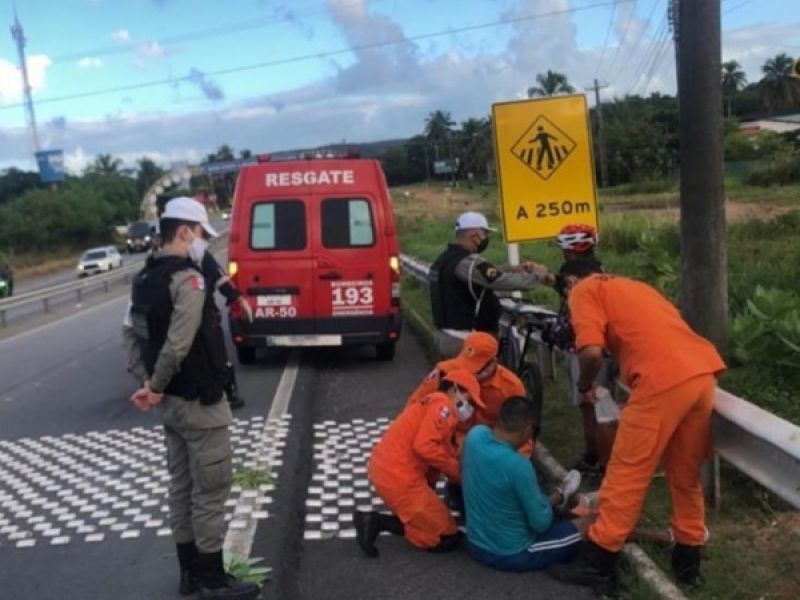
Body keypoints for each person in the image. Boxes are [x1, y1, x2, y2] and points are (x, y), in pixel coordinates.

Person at [547, 259, 726, 592]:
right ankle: (688, 561)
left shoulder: (583, 290)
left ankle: (599, 560)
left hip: (662, 379)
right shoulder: (633, 286)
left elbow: (591, 352)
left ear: (570, 280)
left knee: (627, 471)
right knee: (684, 474)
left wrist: (585, 385)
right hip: (701, 375)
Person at [127, 197, 259, 600]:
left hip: (171, 406)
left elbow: (131, 334)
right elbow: (179, 344)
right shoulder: (188, 280)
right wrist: (155, 385)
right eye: (202, 234)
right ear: (185, 231)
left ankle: (188, 574)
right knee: (211, 491)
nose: (204, 242)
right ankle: (212, 579)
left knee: (181, 488)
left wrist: (147, 382)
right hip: (200, 402)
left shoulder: (144, 278)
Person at [353, 369, 485, 558]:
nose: (469, 407)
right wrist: (458, 473)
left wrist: (433, 488)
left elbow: (439, 453)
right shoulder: (443, 406)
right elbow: (425, 447)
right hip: (399, 477)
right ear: (454, 390)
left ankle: (392, 520)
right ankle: (376, 522)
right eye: (468, 400)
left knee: (441, 524)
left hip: (391, 471)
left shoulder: (433, 403)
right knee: (446, 535)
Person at [462, 396, 585, 572]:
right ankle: (561, 497)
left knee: (520, 500)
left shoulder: (474, 436)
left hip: (475, 542)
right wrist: (549, 507)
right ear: (527, 430)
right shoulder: (518, 465)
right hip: (510, 553)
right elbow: (541, 524)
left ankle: (560, 496)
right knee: (588, 524)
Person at [429, 211, 554, 358]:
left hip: (444, 335)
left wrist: (515, 269)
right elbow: (502, 281)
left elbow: (486, 274)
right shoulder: (468, 263)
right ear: (474, 236)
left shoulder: (444, 260)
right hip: (464, 341)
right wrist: (537, 276)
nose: (486, 238)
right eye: (485, 234)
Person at [547, 224, 619, 476]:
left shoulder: (574, 276)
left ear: (570, 251)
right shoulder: (601, 271)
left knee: (592, 409)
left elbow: (573, 319)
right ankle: (604, 460)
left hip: (588, 350)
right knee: (604, 407)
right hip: (608, 348)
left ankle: (597, 460)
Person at [198, 240, 253, 410]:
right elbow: (221, 279)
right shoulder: (198, 254)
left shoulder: (198, 255)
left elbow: (221, 279)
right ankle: (228, 394)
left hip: (198, 315)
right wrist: (238, 298)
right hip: (203, 315)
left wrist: (237, 297)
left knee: (213, 355)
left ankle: (226, 393)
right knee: (216, 356)